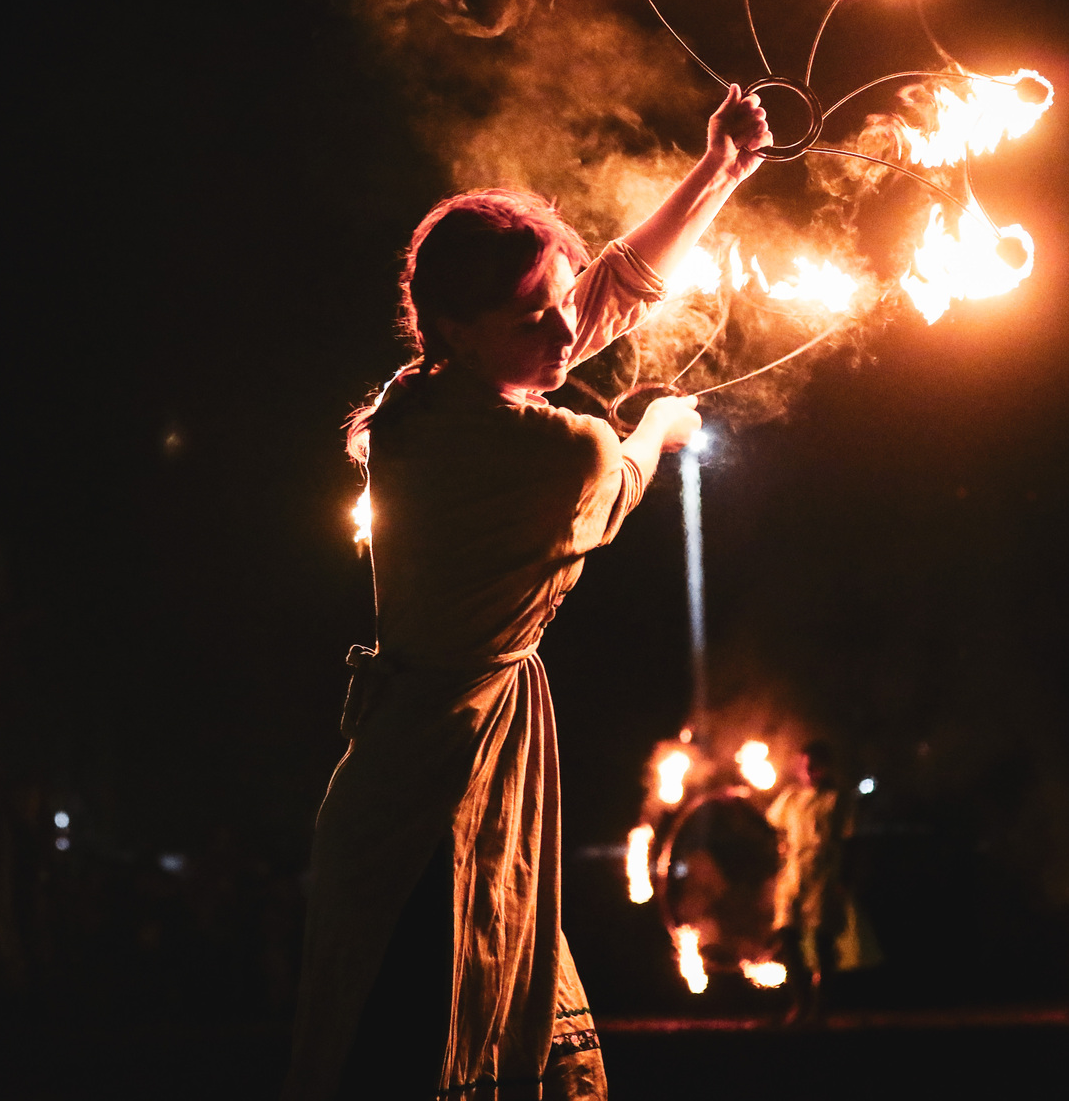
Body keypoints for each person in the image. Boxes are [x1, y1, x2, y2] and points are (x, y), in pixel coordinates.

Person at [283, 86, 771, 1101]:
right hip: (434, 796)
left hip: (427, 764)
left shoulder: (420, 396)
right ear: (459, 328)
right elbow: (619, 474)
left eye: (557, 300)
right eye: (531, 316)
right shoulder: (547, 451)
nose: (561, 329)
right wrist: (658, 427)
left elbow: (608, 294)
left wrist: (719, 168)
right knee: (426, 1054)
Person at [765, 740, 878, 1024]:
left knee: (822, 939)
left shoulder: (837, 799)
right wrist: (739, 803)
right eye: (804, 766)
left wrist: (845, 879)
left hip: (824, 874)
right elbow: (768, 826)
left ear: (826, 767)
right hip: (793, 874)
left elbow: (851, 841)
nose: (808, 771)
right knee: (786, 933)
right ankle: (801, 1002)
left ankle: (820, 1007)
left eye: (814, 765)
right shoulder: (790, 798)